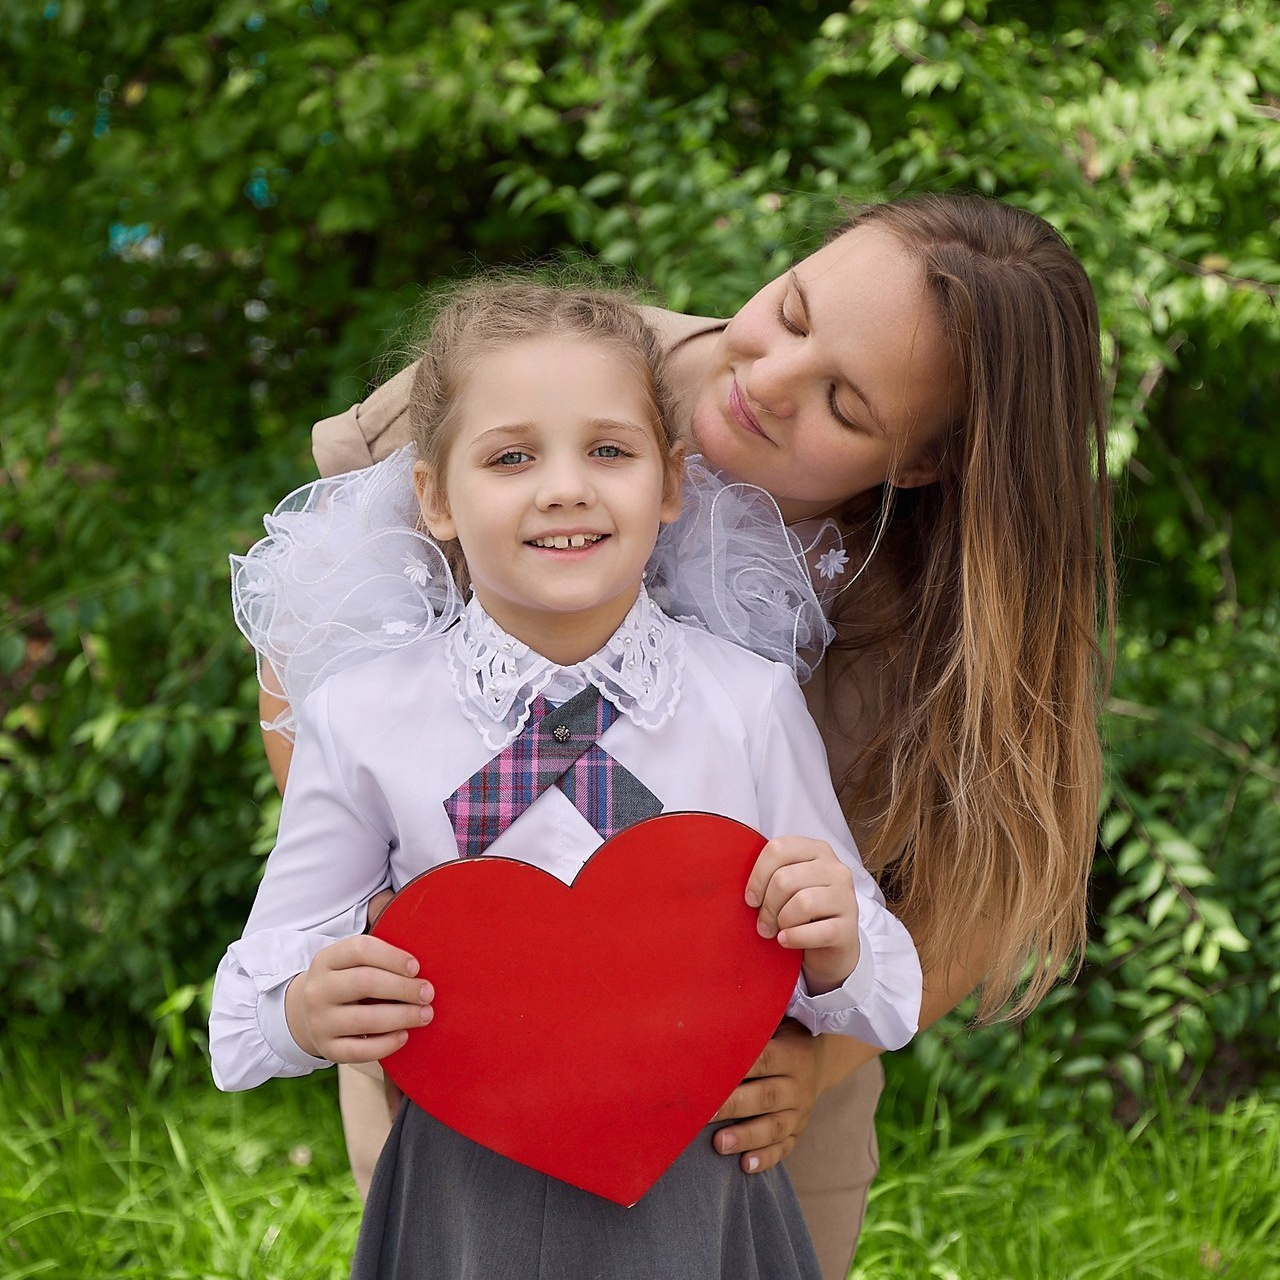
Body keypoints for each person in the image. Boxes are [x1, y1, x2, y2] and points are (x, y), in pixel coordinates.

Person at [262, 192, 1114, 1280]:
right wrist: (383, 901)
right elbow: (308, 637)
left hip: (748, 1091)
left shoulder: (946, 613)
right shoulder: (541, 359)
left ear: (918, 466)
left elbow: (980, 887)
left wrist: (814, 1062)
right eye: (791, 310)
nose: (769, 379)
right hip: (462, 1045)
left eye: (843, 404)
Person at [210, 281, 924, 1280]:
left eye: (608, 451)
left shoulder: (747, 702)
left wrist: (839, 941)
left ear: (669, 483)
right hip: (465, 1187)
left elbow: (891, 999)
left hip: (698, 1184)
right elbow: (237, 1027)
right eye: (510, 457)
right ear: (434, 498)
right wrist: (300, 1007)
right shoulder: (362, 719)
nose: (564, 488)